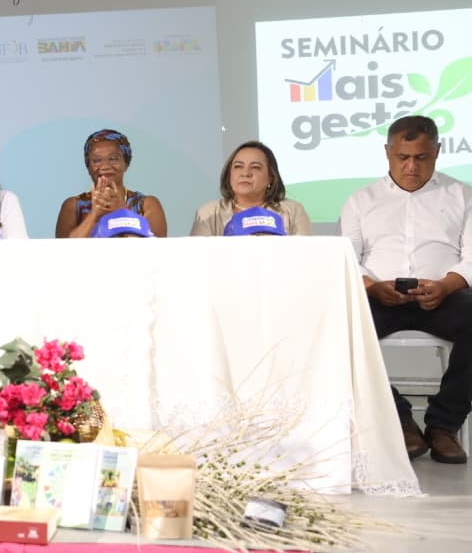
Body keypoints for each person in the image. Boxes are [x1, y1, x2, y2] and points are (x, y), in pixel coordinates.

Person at [340, 115, 472, 464]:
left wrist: (445, 285)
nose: (411, 167)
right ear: (387, 153)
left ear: (438, 152)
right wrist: (372, 286)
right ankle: (400, 419)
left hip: (445, 295)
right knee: (336, 327)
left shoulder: (463, 195)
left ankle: (443, 426)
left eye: (422, 158)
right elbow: (347, 259)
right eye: (402, 157)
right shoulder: (360, 201)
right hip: (380, 296)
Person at [56, 129, 166, 238]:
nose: (105, 166)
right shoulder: (73, 206)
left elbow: (154, 250)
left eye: (113, 159)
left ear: (126, 163)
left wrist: (122, 212)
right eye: (97, 160)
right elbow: (63, 251)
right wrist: (94, 215)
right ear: (88, 167)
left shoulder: (147, 204)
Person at [190, 140, 312, 236]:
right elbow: (198, 258)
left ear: (271, 177)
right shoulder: (208, 213)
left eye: (255, 167)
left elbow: (305, 255)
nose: (245, 173)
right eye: (238, 166)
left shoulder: (293, 211)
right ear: (229, 175)